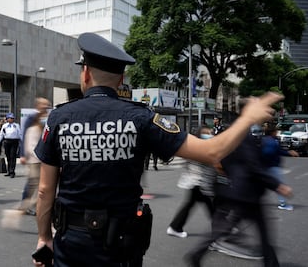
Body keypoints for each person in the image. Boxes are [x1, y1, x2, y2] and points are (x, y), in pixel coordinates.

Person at [32, 32, 283, 267]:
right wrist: (247, 118)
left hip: (72, 242)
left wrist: (45, 238)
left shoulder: (59, 118)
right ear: (121, 80)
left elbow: (45, 191)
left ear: (85, 73)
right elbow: (212, 152)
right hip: (121, 244)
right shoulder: (142, 118)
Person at [187, 100, 293, 267]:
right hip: (246, 192)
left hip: (240, 190)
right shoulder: (243, 133)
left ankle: (198, 254)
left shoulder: (235, 131)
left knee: (228, 228)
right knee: (257, 231)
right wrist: (277, 185)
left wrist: (231, 176)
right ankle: (197, 254)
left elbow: (225, 158)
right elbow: (253, 166)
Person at [166, 126, 216, 238]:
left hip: (196, 182)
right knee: (210, 206)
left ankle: (175, 227)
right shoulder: (201, 147)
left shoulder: (196, 146)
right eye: (207, 133)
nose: (210, 134)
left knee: (195, 205)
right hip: (199, 182)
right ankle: (221, 228)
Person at [261, 124, 299, 210]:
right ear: (272, 132)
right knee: (280, 185)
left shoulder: (264, 140)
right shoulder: (272, 141)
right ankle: (283, 204)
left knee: (259, 184)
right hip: (272, 166)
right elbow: (272, 152)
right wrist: (289, 153)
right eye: (276, 131)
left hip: (264, 166)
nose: (277, 133)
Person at [0, 113, 21, 178]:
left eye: (12, 118)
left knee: (12, 156)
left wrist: (23, 142)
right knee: (8, 156)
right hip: (7, 141)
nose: (11, 119)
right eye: (10, 118)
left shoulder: (16, 125)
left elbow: (20, 134)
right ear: (7, 119)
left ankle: (12, 172)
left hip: (14, 141)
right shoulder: (4, 126)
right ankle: (9, 171)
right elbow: (1, 135)